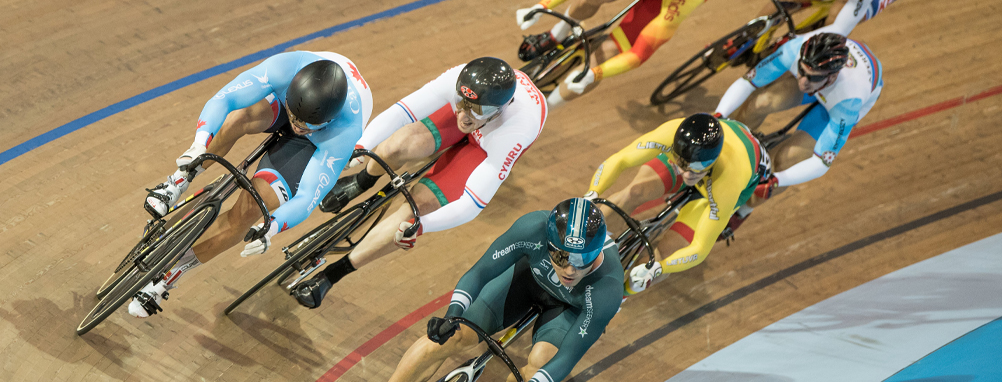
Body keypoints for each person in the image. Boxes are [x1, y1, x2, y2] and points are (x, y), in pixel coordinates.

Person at [128, 51, 372, 318]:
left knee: (250, 210)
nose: (297, 125)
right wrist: (199, 143)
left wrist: (272, 228)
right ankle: (178, 180)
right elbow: (225, 98)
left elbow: (308, 196)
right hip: (288, 102)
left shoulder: (344, 131)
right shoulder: (285, 68)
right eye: (294, 117)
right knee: (237, 118)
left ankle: (169, 276)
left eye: (306, 124)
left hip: (317, 142)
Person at [289, 57, 547, 309]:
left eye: (477, 111)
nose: (465, 116)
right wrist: (362, 146)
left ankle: (332, 274)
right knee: (397, 145)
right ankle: (361, 181)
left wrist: (423, 226)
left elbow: (472, 203)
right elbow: (402, 111)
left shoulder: (515, 132)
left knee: (414, 212)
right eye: (462, 102)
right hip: (483, 118)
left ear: (499, 110)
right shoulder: (460, 85)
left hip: (488, 145)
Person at [387, 198, 623, 382]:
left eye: (583, 261)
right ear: (548, 243)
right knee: (449, 337)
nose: (571, 270)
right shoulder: (533, 227)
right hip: (526, 280)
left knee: (541, 365)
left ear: (598, 251)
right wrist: (452, 315)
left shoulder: (608, 286)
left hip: (568, 307)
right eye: (561, 257)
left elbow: (568, 357)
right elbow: (479, 272)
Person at [712, 30, 883, 240]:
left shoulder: (849, 101)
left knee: (788, 159)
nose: (803, 82)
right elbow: (747, 83)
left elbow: (821, 163)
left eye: (812, 77)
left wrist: (776, 180)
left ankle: (743, 211)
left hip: (835, 102)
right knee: (760, 102)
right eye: (801, 72)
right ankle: (724, 145)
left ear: (832, 76)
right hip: (825, 83)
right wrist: (719, 115)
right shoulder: (793, 51)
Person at [581, 113, 769, 295]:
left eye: (695, 171)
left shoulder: (729, 180)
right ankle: (581, 244)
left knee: (666, 252)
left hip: (727, 179)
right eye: (683, 166)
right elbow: (620, 159)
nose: (687, 175)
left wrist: (659, 268)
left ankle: (616, 299)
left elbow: (700, 249)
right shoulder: (670, 134)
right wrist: (592, 193)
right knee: (634, 192)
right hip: (702, 155)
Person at [515, 0, 708, 107]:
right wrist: (542, 6)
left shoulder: (679, 5)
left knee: (605, 54)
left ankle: (543, 110)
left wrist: (594, 74)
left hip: (659, 7)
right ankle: (557, 34)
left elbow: (638, 54)